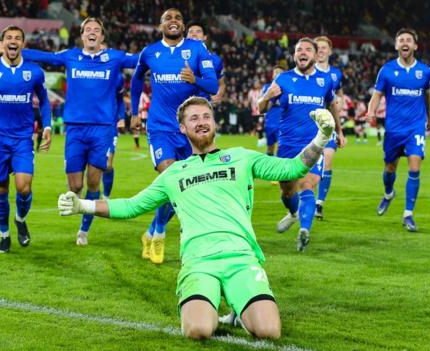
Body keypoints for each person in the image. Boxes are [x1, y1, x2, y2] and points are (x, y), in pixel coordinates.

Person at [57, 96, 336, 340]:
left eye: (206, 117)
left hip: (241, 258)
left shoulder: (241, 158)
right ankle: (220, 305)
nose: (201, 122)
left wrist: (321, 137)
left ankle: (239, 309)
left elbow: (292, 168)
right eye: (194, 119)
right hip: (198, 263)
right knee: (199, 330)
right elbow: (132, 206)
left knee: (269, 331)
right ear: (183, 128)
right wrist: (83, 205)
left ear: (214, 123)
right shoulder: (174, 173)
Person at [0, 18, 138, 245]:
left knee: (94, 182)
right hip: (75, 129)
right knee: (75, 186)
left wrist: (170, 53)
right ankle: (77, 206)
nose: (92, 32)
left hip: (102, 129)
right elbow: (47, 57)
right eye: (88, 29)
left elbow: (142, 59)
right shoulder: (71, 55)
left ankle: (84, 231)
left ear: (102, 37)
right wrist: (16, 50)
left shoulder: (114, 57)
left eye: (97, 30)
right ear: (82, 35)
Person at [130, 8, 218, 264]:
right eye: (168, 18)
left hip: (189, 129)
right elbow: (136, 80)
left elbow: (213, 86)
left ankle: (151, 231)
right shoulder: (150, 52)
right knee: (170, 177)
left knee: (181, 187)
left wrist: (196, 79)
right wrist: (134, 111)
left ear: (183, 25)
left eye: (178, 18)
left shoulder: (198, 49)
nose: (173, 22)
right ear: (160, 25)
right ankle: (159, 234)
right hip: (160, 127)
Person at [258, 37, 344, 251]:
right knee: (287, 191)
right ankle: (294, 213)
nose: (302, 52)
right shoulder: (283, 79)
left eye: (307, 49)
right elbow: (260, 108)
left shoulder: (325, 81)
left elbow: (333, 106)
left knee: (307, 184)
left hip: (314, 144)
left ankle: (305, 230)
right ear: (294, 55)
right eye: (298, 50)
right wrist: (267, 96)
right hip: (287, 145)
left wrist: (339, 132)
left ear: (315, 55)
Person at [0, 25, 52, 253]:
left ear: (23, 44)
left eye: (18, 38)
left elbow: (44, 101)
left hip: (22, 139)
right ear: (3, 42)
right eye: (9, 38)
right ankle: (4, 235)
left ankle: (20, 219)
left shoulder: (35, 72)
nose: (13, 41)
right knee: (0, 188)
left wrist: (47, 126)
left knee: (24, 188)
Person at [366, 28, 430, 232]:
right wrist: (371, 111)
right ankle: (388, 193)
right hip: (394, 128)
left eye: (409, 40)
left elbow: (428, 96)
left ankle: (408, 215)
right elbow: (377, 94)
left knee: (415, 167)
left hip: (416, 128)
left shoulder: (425, 71)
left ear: (415, 46)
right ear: (396, 46)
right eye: (401, 40)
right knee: (390, 169)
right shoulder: (386, 70)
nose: (405, 43)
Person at [312, 36, 344, 220]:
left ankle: (319, 203)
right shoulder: (308, 71)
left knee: (328, 159)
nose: (321, 50)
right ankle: (303, 198)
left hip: (328, 124)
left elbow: (338, 93)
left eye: (324, 47)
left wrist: (339, 130)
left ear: (330, 51)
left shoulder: (335, 74)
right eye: (318, 47)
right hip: (309, 124)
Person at [186, 21, 226, 104]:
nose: (194, 34)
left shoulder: (215, 60)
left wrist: (219, 94)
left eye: (198, 31)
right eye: (191, 32)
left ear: (205, 37)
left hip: (204, 106)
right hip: (180, 106)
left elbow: (221, 84)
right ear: (186, 37)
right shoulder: (176, 57)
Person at [258, 65, 285, 156]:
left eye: (279, 72)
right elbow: (261, 104)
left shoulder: (287, 88)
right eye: (275, 72)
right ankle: (270, 166)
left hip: (281, 122)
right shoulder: (266, 87)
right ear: (272, 75)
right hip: (269, 121)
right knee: (270, 148)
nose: (277, 74)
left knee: (282, 148)